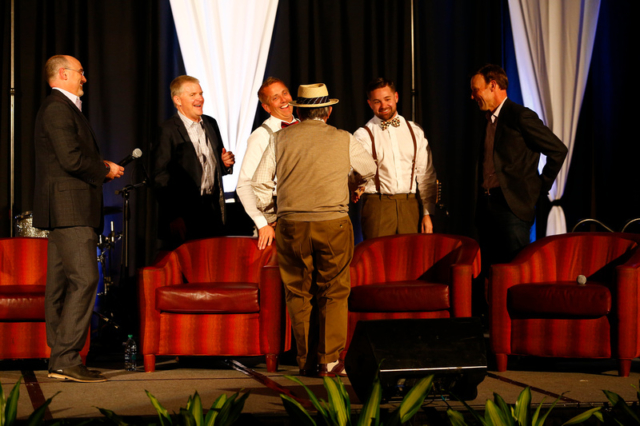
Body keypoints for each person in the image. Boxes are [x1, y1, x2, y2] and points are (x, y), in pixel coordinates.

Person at [252, 83, 376, 377]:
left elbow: (259, 184)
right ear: (328, 111)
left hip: (291, 224)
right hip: (332, 222)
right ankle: (329, 361)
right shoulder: (343, 138)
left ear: (299, 110)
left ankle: (306, 361)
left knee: (298, 293)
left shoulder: (279, 139)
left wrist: (273, 215)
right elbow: (369, 169)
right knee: (333, 291)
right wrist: (353, 185)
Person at [33, 55, 124, 383]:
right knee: (86, 279)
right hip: (69, 209)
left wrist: (101, 165)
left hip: (65, 209)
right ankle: (66, 358)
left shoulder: (61, 108)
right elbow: (71, 159)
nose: (85, 79)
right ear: (63, 74)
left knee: (60, 284)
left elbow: (69, 155)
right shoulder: (58, 108)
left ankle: (60, 356)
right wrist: (103, 169)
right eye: (81, 73)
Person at [470, 64, 567, 267]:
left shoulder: (520, 116)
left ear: (493, 85)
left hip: (512, 208)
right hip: (487, 207)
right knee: (489, 272)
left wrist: (540, 187)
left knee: (513, 270)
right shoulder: (487, 120)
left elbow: (558, 150)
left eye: (475, 90)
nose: (472, 96)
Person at [152, 75, 235, 249]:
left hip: (212, 210)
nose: (200, 98)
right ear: (177, 100)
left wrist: (225, 165)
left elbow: (215, 163)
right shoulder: (167, 130)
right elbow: (160, 177)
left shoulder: (211, 123)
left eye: (200, 93)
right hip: (185, 213)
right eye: (192, 95)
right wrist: (173, 216)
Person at [352, 78, 437, 240]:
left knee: (410, 260)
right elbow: (355, 173)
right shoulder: (363, 135)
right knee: (378, 261)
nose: (383, 106)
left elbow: (426, 176)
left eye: (387, 99)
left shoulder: (415, 131)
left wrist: (427, 213)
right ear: (370, 104)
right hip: (377, 206)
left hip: (410, 206)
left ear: (396, 97)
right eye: (377, 101)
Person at [236, 77, 298, 249]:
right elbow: (244, 184)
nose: (284, 100)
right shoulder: (261, 136)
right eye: (275, 98)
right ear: (266, 107)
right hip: (275, 218)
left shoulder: (304, 127)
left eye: (284, 93)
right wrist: (262, 223)